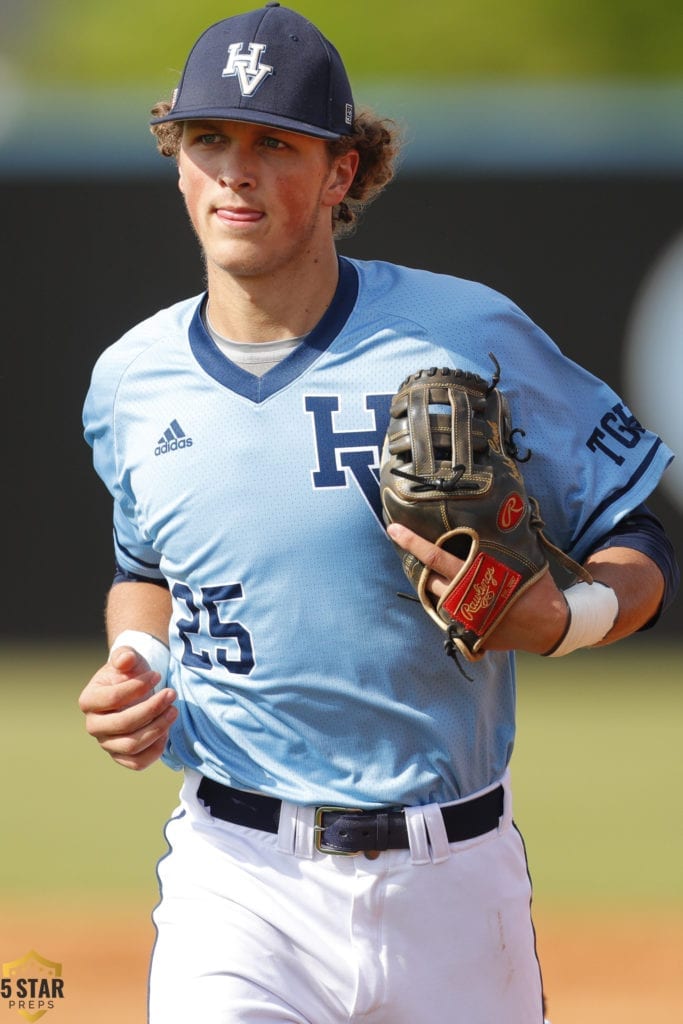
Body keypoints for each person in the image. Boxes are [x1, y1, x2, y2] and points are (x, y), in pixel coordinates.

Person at [78, 5, 678, 1023]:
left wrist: (565, 618)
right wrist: (137, 663)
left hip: (454, 877)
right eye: (209, 138)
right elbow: (145, 572)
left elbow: (640, 537)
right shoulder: (130, 380)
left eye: (276, 143)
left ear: (341, 172)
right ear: (176, 158)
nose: (236, 170)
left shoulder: (460, 333)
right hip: (238, 881)